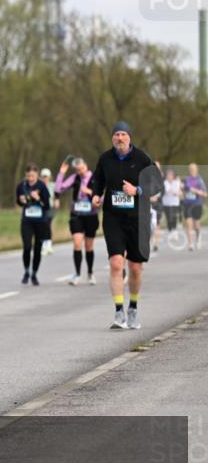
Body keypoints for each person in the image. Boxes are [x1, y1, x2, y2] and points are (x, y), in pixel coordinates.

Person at [91, 121, 157, 330]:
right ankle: (119, 311)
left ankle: (133, 308)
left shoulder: (142, 158)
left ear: (130, 137)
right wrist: (95, 194)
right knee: (116, 263)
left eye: (123, 135)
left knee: (135, 268)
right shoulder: (105, 159)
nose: (119, 138)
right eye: (116, 135)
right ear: (112, 138)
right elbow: (98, 180)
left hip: (138, 218)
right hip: (113, 218)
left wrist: (137, 190)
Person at [55, 157, 100, 285]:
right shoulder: (74, 178)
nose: (80, 172)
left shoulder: (95, 177)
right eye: (77, 170)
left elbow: (101, 197)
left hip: (91, 215)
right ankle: (77, 274)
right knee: (77, 243)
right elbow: (59, 189)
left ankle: (90, 273)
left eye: (81, 169)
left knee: (89, 246)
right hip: (77, 215)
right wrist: (62, 173)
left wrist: (89, 192)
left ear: (85, 165)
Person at [17, 164, 51, 285]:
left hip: (40, 222)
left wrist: (38, 198)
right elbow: (19, 201)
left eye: (32, 176)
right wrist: (21, 200)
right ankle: (26, 271)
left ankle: (34, 274)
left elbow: (47, 205)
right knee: (27, 247)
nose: (30, 178)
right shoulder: (22, 185)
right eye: (28, 176)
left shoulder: (42, 186)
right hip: (27, 221)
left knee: (37, 249)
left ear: (37, 175)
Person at [182, 163, 206, 250]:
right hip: (187, 204)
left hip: (197, 204)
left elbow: (205, 194)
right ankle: (190, 244)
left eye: (193, 169)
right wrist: (182, 191)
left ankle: (198, 237)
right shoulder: (186, 179)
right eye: (190, 169)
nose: (192, 170)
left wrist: (195, 190)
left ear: (197, 169)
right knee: (189, 225)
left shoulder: (199, 180)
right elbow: (183, 192)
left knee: (196, 225)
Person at [39, 167, 57, 255]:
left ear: (49, 177)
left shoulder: (53, 185)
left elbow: (57, 194)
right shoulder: (38, 186)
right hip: (41, 208)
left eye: (46, 177)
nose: (45, 179)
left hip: (50, 208)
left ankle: (48, 245)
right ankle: (44, 244)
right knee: (42, 226)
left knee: (47, 224)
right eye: (43, 177)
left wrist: (57, 200)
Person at [161, 168, 182, 234]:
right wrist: (175, 192)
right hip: (166, 203)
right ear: (166, 176)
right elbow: (167, 191)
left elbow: (179, 192)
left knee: (173, 216)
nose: (169, 176)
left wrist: (176, 192)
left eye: (171, 175)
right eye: (168, 175)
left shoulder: (177, 182)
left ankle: (174, 229)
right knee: (168, 217)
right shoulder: (164, 183)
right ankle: (170, 229)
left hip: (175, 203)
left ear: (173, 176)